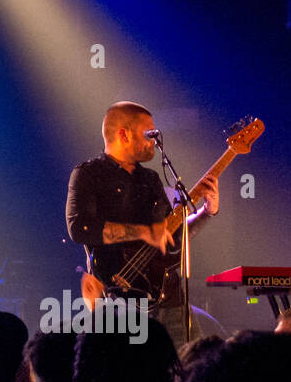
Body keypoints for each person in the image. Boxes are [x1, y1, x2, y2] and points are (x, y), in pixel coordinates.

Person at [65, 101, 218, 343]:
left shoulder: (151, 178)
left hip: (171, 296)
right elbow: (80, 228)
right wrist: (144, 232)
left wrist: (206, 211)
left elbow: (173, 236)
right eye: (148, 134)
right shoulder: (87, 174)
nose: (154, 141)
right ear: (123, 134)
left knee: (193, 366)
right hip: (121, 298)